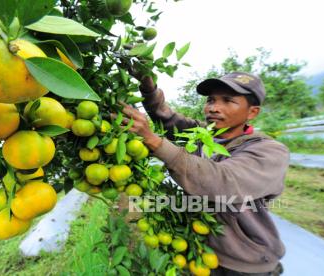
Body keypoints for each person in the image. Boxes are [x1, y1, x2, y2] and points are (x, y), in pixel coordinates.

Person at [121, 71, 288, 275]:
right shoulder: (202, 134)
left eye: (228, 100)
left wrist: (154, 140)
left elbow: (222, 182)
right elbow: (168, 118)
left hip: (244, 264)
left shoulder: (269, 152)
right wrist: (149, 89)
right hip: (200, 252)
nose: (213, 108)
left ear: (252, 112)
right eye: (210, 100)